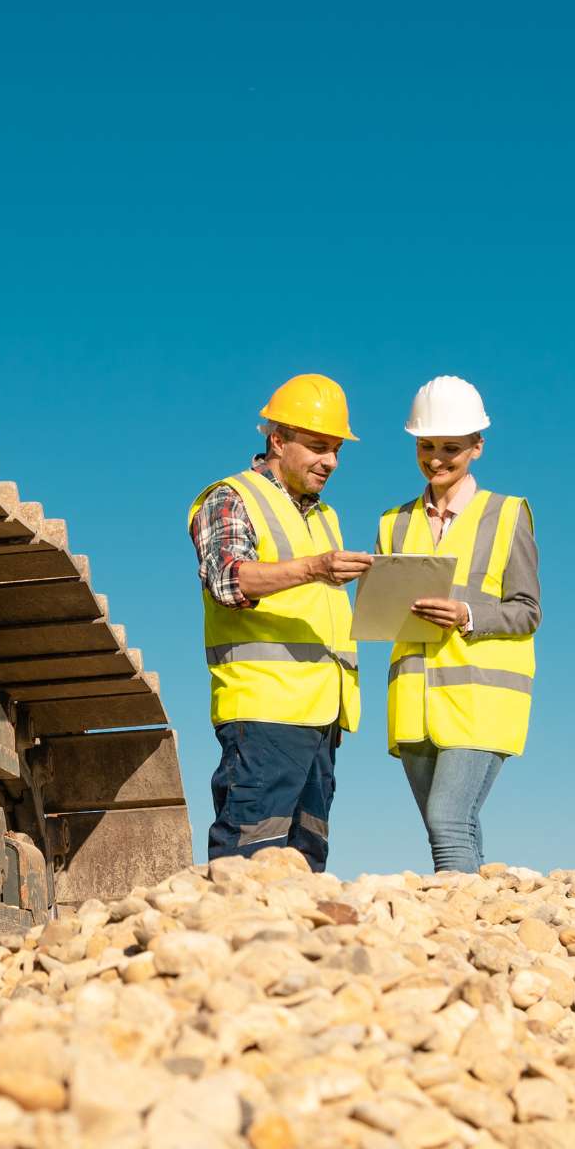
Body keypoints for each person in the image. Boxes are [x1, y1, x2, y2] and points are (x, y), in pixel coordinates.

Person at [186, 373, 373, 870]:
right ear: (277, 440)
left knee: (306, 860)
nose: (330, 461)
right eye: (317, 446)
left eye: (335, 449)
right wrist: (316, 568)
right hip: (266, 710)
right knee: (249, 858)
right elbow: (228, 580)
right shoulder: (231, 498)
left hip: (322, 716)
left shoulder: (324, 516)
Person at [375, 375, 539, 873]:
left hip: (481, 698)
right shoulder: (392, 523)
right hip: (413, 701)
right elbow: (384, 609)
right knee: (447, 824)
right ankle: (476, 930)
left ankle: (451, 931)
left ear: (477, 447)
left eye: (451, 447)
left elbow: (527, 610)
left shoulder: (508, 515)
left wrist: (467, 614)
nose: (437, 458)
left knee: (448, 818)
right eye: (426, 446)